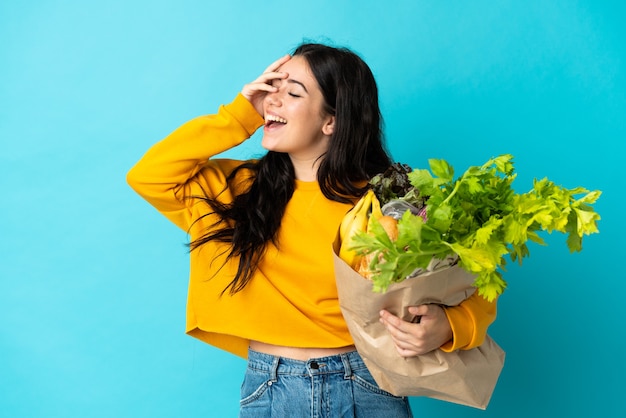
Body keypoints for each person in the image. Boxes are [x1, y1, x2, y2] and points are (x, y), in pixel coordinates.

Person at [127, 42, 497, 418]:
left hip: (366, 383)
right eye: (273, 88)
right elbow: (148, 176)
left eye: (292, 92)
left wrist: (450, 326)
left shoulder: (388, 200)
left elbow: (474, 283)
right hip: (269, 385)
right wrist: (240, 115)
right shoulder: (234, 191)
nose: (273, 100)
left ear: (331, 120)